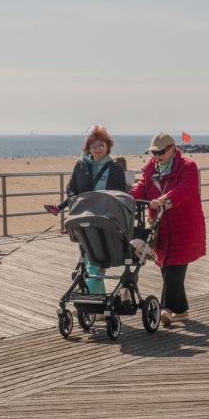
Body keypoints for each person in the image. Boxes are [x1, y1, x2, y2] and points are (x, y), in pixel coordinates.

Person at [130, 132, 206, 327]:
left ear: (173, 149)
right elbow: (140, 188)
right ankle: (181, 311)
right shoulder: (150, 170)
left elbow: (185, 189)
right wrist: (126, 198)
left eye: (161, 151)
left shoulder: (188, 166)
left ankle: (165, 309)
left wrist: (162, 201)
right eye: (154, 151)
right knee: (167, 269)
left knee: (173, 269)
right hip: (161, 229)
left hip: (185, 227)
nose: (157, 155)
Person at [44, 125, 127, 293]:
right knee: (88, 259)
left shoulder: (115, 167)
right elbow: (71, 188)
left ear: (107, 146)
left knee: (94, 261)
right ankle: (97, 300)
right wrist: (74, 200)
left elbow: (121, 193)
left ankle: (92, 301)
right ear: (88, 147)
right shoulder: (81, 165)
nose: (98, 149)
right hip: (83, 217)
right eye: (93, 145)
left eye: (101, 145)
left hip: (104, 219)